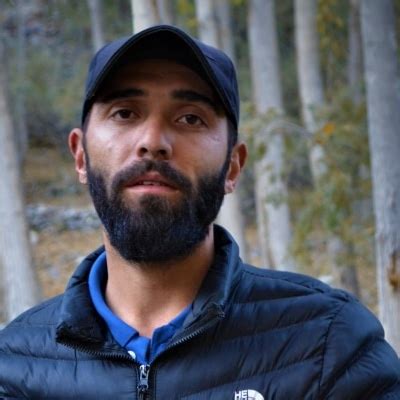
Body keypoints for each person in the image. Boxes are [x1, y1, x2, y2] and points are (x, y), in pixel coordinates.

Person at [0, 24, 399, 400]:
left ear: (232, 166)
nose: (153, 141)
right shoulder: (13, 367)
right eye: (124, 113)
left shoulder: (329, 344)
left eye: (190, 118)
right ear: (80, 156)